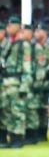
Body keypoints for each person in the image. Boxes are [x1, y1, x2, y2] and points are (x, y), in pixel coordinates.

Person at [0, 17, 32, 148]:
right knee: (7, 112)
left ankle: (18, 139)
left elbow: (27, 67)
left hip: (17, 82)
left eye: (11, 25)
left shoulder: (23, 45)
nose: (8, 27)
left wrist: (24, 86)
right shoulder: (7, 44)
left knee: (17, 112)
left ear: (18, 27)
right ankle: (11, 138)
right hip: (5, 83)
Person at [26, 22, 49, 144]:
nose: (36, 33)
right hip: (34, 83)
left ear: (45, 33)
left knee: (43, 109)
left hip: (46, 83)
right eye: (35, 31)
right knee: (33, 108)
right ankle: (33, 135)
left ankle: (43, 133)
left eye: (39, 31)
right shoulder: (32, 47)